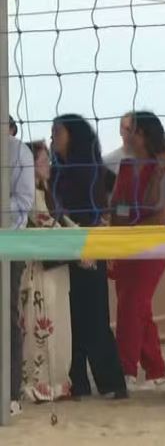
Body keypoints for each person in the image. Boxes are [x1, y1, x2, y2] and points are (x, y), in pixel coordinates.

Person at [49, 114, 127, 400]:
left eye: (59, 131)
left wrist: (97, 242)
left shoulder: (91, 170)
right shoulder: (57, 170)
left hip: (89, 252)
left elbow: (107, 208)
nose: (53, 136)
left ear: (75, 136)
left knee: (94, 319)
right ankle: (77, 383)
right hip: (63, 253)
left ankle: (112, 384)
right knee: (71, 320)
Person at [109, 111, 165, 392]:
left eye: (129, 129)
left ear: (142, 134)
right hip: (123, 241)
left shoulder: (162, 167)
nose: (125, 134)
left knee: (132, 305)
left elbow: (158, 212)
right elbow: (118, 207)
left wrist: (156, 176)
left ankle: (126, 370)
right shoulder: (125, 165)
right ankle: (157, 372)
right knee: (136, 306)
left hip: (150, 244)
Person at [19, 141, 73, 403]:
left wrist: (88, 239)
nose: (48, 164)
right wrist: (81, 246)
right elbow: (49, 225)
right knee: (43, 323)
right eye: (43, 160)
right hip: (41, 270)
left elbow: (64, 221)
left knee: (58, 322)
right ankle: (39, 383)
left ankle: (57, 382)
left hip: (57, 267)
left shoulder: (47, 191)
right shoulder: (31, 196)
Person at [5, 116, 33, 415]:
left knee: (7, 319)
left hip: (7, 247)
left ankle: (10, 393)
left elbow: (23, 204)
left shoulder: (18, 152)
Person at [102, 112, 135, 192]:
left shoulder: (152, 160)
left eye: (135, 129)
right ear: (120, 130)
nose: (132, 133)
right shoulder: (106, 161)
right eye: (128, 129)